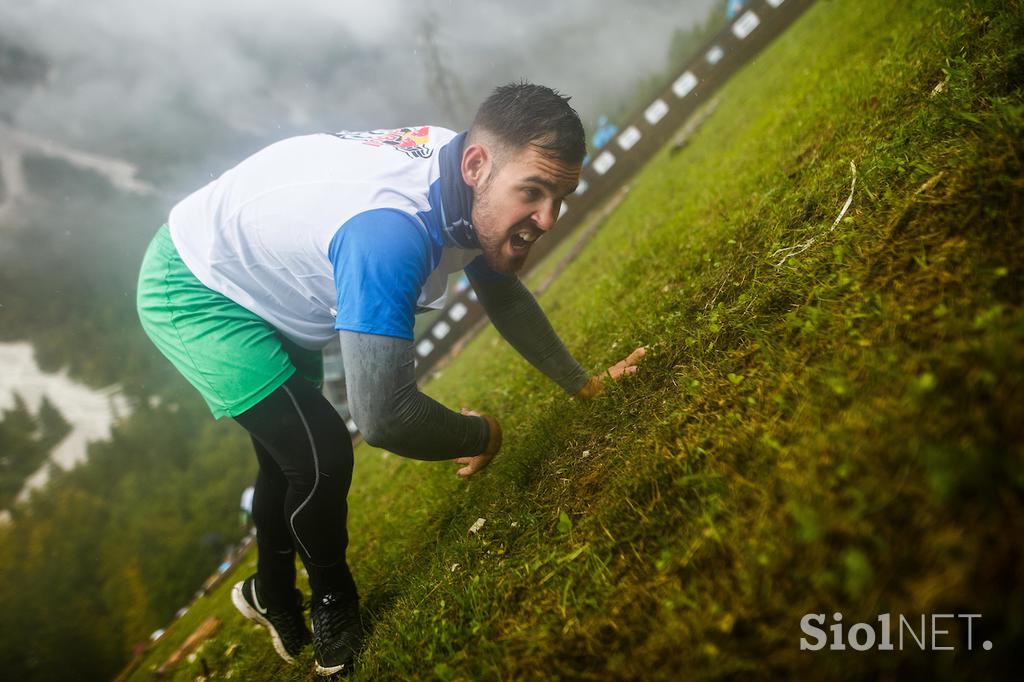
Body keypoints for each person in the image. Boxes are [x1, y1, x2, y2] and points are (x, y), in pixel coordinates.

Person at [136, 82, 644, 676]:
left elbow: (501, 291)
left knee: (286, 457)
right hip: (194, 285)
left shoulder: (466, 177)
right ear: (477, 165)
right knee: (322, 451)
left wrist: (584, 385)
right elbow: (383, 418)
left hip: (256, 263)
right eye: (533, 193)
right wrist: (481, 434)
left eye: (561, 196)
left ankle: (269, 594)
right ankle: (334, 600)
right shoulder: (389, 235)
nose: (549, 218)